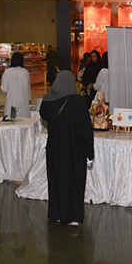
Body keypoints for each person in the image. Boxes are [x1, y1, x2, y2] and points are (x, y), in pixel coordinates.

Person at [40, 71, 94, 226]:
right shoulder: (78, 101)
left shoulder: (48, 100)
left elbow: (43, 114)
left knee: (56, 179)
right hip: (75, 149)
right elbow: (86, 129)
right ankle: (74, 216)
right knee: (75, 180)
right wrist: (90, 153)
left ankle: (57, 213)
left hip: (55, 147)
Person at [1, 53, 31, 119]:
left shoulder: (7, 72)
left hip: (11, 102)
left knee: (12, 121)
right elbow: (28, 88)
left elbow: (4, 88)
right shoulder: (25, 72)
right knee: (24, 121)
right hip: (23, 103)